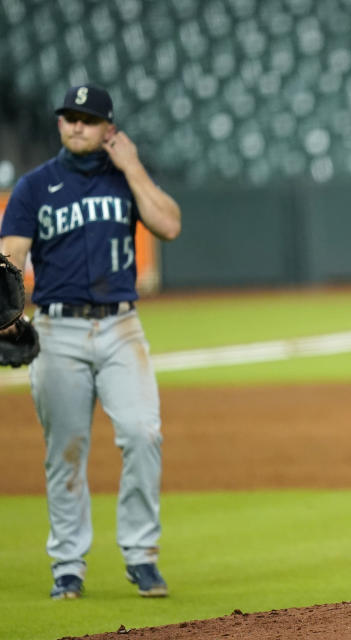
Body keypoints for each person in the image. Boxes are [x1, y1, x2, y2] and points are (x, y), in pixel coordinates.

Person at [0, 84, 181, 599]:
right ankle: (67, 566)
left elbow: (168, 224)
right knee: (65, 452)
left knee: (143, 433)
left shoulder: (125, 180)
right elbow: (9, 256)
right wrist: (8, 316)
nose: (76, 125)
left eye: (88, 118)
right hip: (58, 329)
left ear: (109, 129)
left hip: (122, 326)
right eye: (68, 117)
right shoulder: (35, 187)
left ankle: (142, 556)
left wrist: (133, 167)